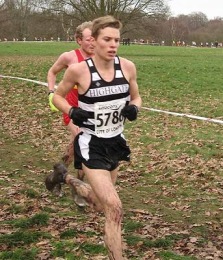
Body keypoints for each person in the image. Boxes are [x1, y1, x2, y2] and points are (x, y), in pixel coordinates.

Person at [45, 15, 142, 260]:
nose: (113, 45)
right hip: (91, 145)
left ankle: (65, 178)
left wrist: (134, 107)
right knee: (114, 208)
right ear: (94, 41)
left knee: (100, 205)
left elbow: (137, 97)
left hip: (116, 143)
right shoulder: (79, 70)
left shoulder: (127, 66)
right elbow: (57, 96)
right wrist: (71, 110)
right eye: (107, 39)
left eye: (117, 40)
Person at [47, 21, 94, 199]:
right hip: (71, 110)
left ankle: (56, 176)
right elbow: (52, 72)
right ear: (79, 40)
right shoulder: (69, 57)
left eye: (95, 39)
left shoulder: (101, 57)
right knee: (82, 141)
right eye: (89, 39)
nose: (93, 43)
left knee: (75, 147)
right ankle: (78, 190)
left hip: (91, 111)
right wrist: (51, 93)